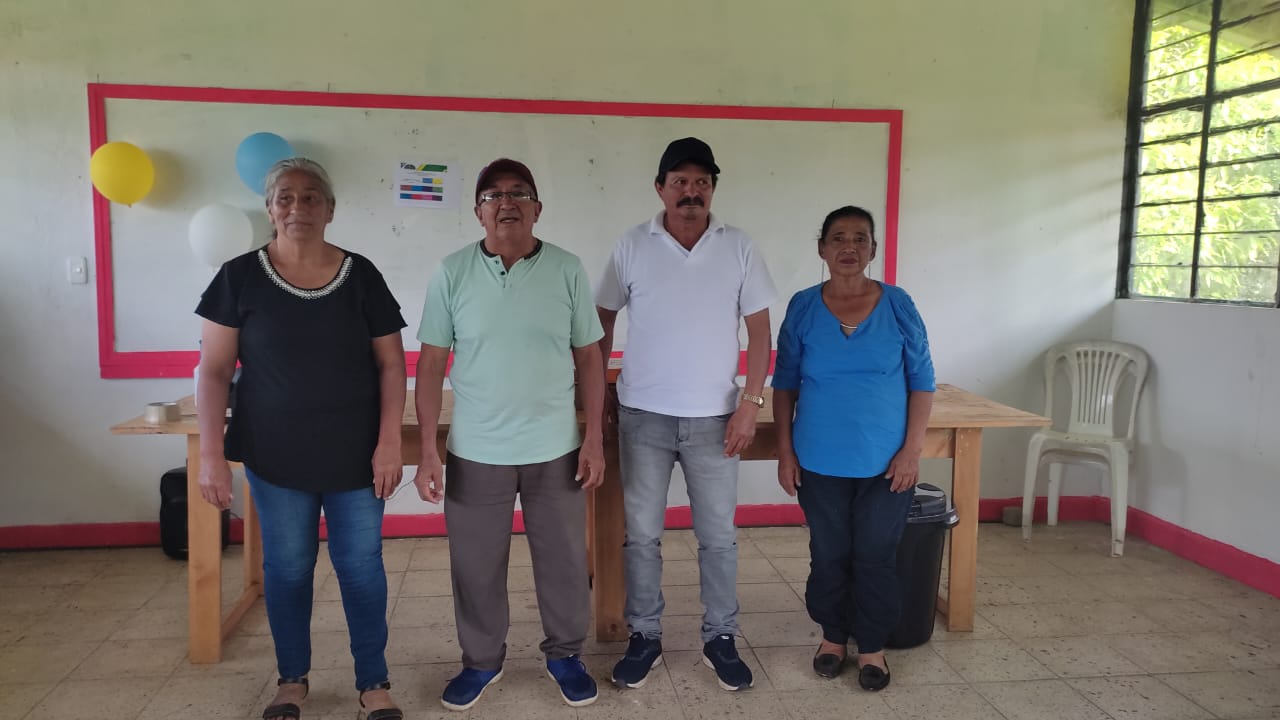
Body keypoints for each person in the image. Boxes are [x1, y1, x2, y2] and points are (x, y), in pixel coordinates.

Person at [195, 157, 407, 720]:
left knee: (361, 567)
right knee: (288, 569)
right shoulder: (238, 277)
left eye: (311, 197)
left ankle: (374, 682)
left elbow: (392, 364)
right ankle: (291, 680)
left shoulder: (361, 275)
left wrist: (390, 442)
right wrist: (211, 454)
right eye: (285, 197)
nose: (298, 207)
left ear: (330, 209)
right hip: (275, 456)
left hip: (356, 456)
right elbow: (213, 371)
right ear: (269, 210)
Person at [411, 158, 606, 711]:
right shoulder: (452, 272)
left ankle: (565, 656)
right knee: (475, 566)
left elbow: (589, 358)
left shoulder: (566, 268)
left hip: (555, 448)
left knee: (565, 562)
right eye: (493, 195)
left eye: (519, 193)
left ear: (537, 208)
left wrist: (593, 438)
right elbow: (431, 362)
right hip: (476, 451)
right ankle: (480, 661)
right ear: (478, 212)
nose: (506, 203)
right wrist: (427, 450)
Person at [596, 137, 777, 692]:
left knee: (718, 537)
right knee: (641, 535)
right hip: (643, 416)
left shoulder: (738, 245)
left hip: (716, 419)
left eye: (701, 182)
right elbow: (601, 321)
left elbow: (761, 333)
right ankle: (644, 635)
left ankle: (720, 636)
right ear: (661, 188)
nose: (691, 192)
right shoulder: (632, 244)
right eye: (680, 182)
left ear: (713, 189)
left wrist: (750, 404)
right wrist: (598, 394)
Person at [771, 205, 936, 691]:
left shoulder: (898, 304)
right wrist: (785, 452)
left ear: (873, 249)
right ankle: (832, 637)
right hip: (818, 458)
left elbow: (922, 381)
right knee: (829, 552)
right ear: (821, 248)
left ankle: (872, 645)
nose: (849, 247)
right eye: (838, 238)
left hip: (886, 462)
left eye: (860, 238)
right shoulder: (803, 306)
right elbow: (784, 383)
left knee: (876, 554)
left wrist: (911, 451)